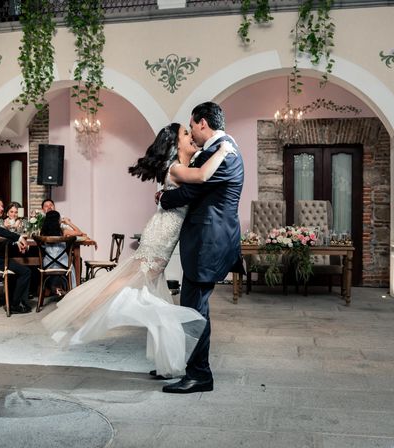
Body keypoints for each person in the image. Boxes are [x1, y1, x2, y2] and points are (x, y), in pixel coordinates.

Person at [42, 122, 235, 377]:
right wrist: (223, 151)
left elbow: (193, 180)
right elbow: (201, 177)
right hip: (159, 237)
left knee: (140, 286)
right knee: (130, 285)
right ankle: (86, 315)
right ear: (175, 144)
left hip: (162, 234)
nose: (190, 137)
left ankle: (167, 361)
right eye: (185, 134)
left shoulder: (185, 164)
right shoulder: (177, 169)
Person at [157, 101, 244, 394]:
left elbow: (191, 190)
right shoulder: (216, 151)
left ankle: (200, 375)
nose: (192, 132)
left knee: (195, 309)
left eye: (192, 126)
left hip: (209, 243)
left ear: (203, 122)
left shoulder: (225, 153)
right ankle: (194, 369)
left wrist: (164, 198)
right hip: (205, 241)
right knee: (193, 306)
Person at [39, 210, 78, 296]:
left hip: (47, 264)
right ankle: (73, 293)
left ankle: (54, 288)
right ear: (58, 220)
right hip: (63, 264)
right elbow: (79, 233)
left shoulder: (42, 233)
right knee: (72, 266)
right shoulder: (63, 232)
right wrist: (68, 223)